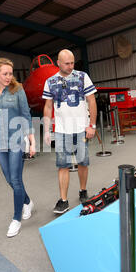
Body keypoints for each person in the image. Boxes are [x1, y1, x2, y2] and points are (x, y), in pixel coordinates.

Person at [0, 58, 36, 238]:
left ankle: (16, 219)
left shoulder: (18, 90)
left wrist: (31, 141)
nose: (8, 77)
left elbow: (26, 115)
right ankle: (27, 202)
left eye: (10, 73)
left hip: (16, 140)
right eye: (4, 74)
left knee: (15, 179)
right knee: (10, 179)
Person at [42, 49, 97, 214]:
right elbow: (48, 106)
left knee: (82, 162)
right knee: (62, 166)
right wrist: (46, 130)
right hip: (61, 131)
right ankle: (63, 200)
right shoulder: (50, 81)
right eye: (67, 63)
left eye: (72, 62)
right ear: (58, 63)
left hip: (81, 129)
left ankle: (83, 190)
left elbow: (91, 100)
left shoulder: (82, 77)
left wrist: (92, 125)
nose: (70, 66)